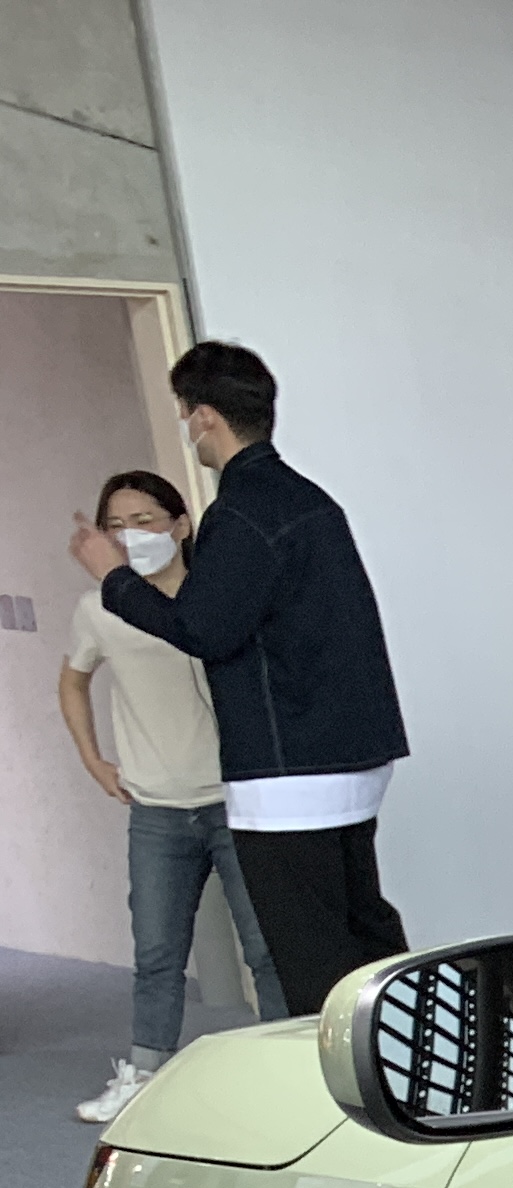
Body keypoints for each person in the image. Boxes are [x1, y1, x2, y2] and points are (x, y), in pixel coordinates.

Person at [64, 340, 410, 1021]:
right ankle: (406, 1062)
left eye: (185, 414)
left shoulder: (243, 510)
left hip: (290, 775)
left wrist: (113, 576)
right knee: (363, 938)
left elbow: (203, 629)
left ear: (204, 418)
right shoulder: (310, 501)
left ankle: (339, 1084)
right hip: (351, 753)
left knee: (312, 964)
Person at [55, 470, 291, 1122]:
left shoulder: (214, 598)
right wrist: (93, 761)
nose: (130, 535)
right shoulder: (98, 608)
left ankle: (287, 1072)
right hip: (156, 808)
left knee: (266, 948)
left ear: (181, 525)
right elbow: (72, 680)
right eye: (116, 525)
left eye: (145, 520)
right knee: (157, 953)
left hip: (235, 802)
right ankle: (142, 1073)